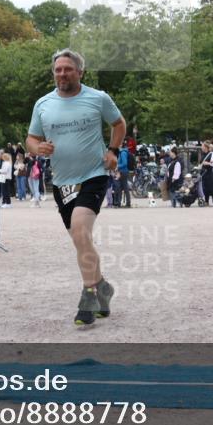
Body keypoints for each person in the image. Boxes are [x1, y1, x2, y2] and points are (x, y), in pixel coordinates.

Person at [26, 48, 126, 326]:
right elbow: (31, 139)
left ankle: (89, 295)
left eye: (68, 69)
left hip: (93, 174)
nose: (62, 74)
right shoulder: (43, 104)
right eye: (58, 70)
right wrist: (38, 148)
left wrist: (113, 150)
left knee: (81, 230)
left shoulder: (98, 98)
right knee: (81, 239)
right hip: (62, 181)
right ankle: (103, 287)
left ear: (80, 72)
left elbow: (119, 124)